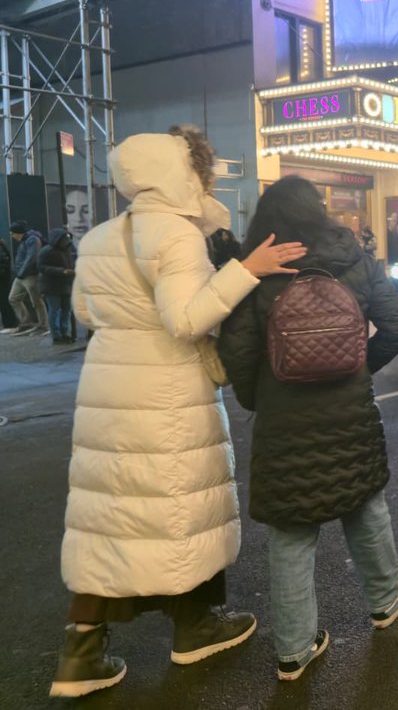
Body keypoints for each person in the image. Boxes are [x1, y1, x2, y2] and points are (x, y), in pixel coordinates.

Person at [48, 126, 306, 699]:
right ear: (180, 175)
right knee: (183, 507)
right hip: (166, 387)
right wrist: (247, 270)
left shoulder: (96, 238)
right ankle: (195, 627)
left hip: (108, 384)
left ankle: (80, 656)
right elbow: (187, 320)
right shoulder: (178, 237)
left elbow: (86, 309)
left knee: (107, 516)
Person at [218, 176, 398, 683]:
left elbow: (236, 349)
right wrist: (358, 369)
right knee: (364, 504)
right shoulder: (353, 256)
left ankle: (294, 649)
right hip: (348, 411)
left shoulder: (257, 267)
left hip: (283, 418)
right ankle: (386, 599)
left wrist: (257, 397)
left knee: (291, 531)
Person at [8, 221, 48, 335]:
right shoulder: (24, 240)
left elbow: (32, 258)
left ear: (18, 232)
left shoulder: (33, 240)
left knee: (36, 301)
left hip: (31, 275)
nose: (12, 236)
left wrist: (21, 272)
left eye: (13, 233)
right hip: (21, 276)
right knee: (13, 298)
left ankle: (43, 326)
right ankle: (25, 323)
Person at [37, 228, 76, 345]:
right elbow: (41, 267)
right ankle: (57, 335)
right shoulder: (46, 251)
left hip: (66, 284)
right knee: (55, 310)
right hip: (52, 286)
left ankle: (65, 333)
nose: (66, 241)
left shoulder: (68, 250)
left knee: (66, 310)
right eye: (64, 239)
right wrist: (62, 271)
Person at [0, 234, 17, 330]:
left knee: (5, 301)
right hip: (4, 278)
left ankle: (9, 323)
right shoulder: (3, 247)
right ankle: (9, 323)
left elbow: (4, 262)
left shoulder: (2, 249)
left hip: (3, 280)